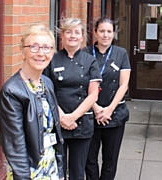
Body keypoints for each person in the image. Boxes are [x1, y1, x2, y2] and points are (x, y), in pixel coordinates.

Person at [0, 24, 64, 179]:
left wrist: (60, 171)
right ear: (22, 51)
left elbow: (55, 132)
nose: (41, 53)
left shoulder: (46, 83)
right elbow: (15, 145)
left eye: (47, 47)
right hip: (28, 170)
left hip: (50, 164)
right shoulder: (12, 91)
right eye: (34, 47)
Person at [43, 18, 101, 180]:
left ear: (83, 37)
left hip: (82, 125)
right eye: (68, 32)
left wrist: (72, 117)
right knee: (56, 170)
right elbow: (48, 92)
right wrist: (62, 118)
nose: (72, 36)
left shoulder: (90, 60)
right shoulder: (52, 59)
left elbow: (93, 95)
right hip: (56, 123)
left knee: (77, 172)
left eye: (77, 32)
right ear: (62, 36)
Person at [84, 17, 131, 180]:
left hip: (115, 114)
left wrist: (109, 109)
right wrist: (96, 108)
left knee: (110, 159)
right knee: (89, 159)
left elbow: (123, 85)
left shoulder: (121, 53)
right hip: (90, 114)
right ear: (95, 33)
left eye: (109, 31)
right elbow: (82, 84)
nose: (105, 35)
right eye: (102, 31)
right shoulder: (85, 53)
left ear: (114, 34)